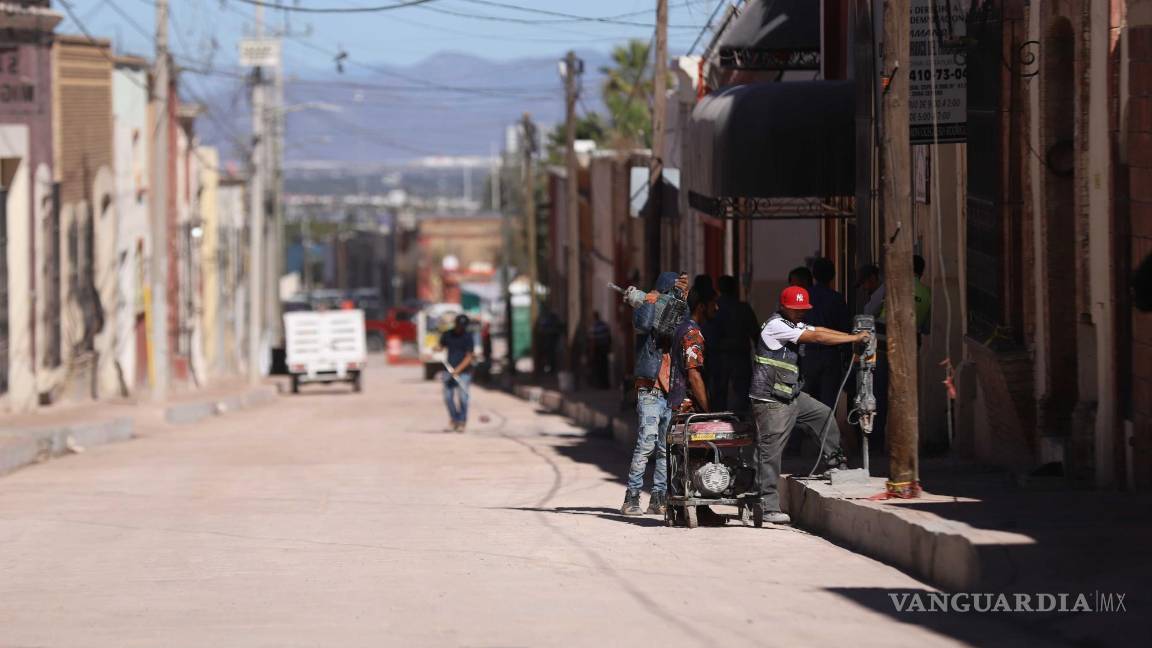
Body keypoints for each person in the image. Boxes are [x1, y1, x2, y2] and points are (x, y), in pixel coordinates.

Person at [751, 286, 870, 525]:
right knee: (770, 451)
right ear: (783, 307)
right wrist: (853, 339)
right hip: (771, 400)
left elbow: (819, 330)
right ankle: (767, 505)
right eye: (796, 310)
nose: (800, 314)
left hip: (790, 395)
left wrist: (851, 337)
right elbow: (815, 337)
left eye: (803, 310)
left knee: (823, 415)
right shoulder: (776, 326)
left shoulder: (794, 324)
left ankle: (836, 463)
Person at [620, 271, 689, 516]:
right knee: (646, 443)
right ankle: (632, 497)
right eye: (675, 288)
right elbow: (645, 325)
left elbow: (681, 326)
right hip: (649, 388)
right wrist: (650, 300)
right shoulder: (645, 307)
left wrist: (680, 298)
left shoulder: (680, 308)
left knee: (664, 448)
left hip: (670, 391)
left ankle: (658, 497)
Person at [803, 258, 852, 409]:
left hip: (808, 355)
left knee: (806, 402)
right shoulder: (836, 299)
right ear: (832, 276)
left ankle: (806, 432)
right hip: (831, 355)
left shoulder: (804, 297)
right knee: (828, 403)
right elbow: (845, 331)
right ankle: (824, 432)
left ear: (814, 275)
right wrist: (847, 357)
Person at [711, 275, 759, 412]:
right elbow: (755, 334)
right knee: (742, 392)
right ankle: (739, 419)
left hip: (721, 356)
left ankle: (719, 417)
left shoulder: (715, 308)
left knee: (719, 391)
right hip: (740, 355)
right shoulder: (743, 308)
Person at [439, 314, 475, 432]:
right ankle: (454, 419)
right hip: (448, 370)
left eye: (463, 326)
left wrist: (458, 370)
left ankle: (462, 421)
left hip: (464, 372)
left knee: (463, 398)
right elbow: (441, 346)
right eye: (459, 325)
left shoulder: (468, 337)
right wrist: (435, 349)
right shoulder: (447, 334)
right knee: (448, 397)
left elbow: (469, 357)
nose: (460, 328)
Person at [588, 311, 612, 389]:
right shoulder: (604, 325)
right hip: (605, 348)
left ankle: (600, 385)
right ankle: (606, 384)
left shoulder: (594, 326)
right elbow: (609, 337)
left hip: (598, 349)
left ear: (594, 317)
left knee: (598, 368)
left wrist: (591, 352)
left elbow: (593, 341)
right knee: (605, 367)